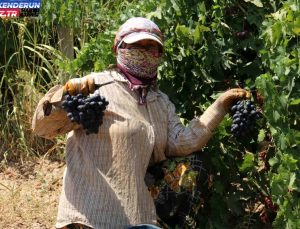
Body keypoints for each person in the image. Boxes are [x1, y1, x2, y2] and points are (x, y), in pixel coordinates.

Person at [32, 17, 249, 229]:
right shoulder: (95, 86)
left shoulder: (160, 101)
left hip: (134, 215)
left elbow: (182, 142)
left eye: (152, 47)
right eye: (137, 46)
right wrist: (61, 98)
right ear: (120, 47)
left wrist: (220, 106)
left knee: (194, 165)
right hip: (89, 216)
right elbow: (43, 128)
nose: (145, 53)